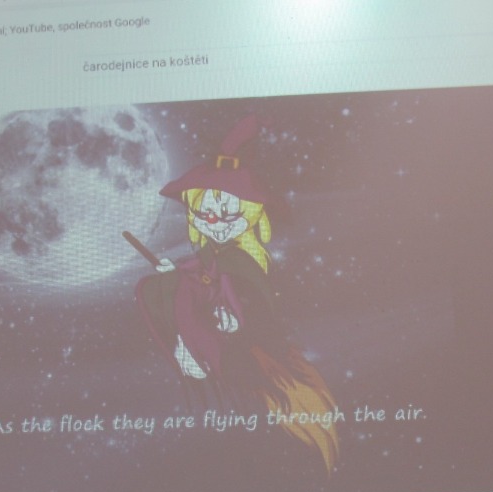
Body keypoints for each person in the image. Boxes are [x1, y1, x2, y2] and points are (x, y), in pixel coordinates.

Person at [134, 115, 340, 473]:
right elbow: (202, 272)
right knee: (158, 287)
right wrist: (177, 272)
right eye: (204, 212)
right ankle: (193, 349)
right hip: (223, 326)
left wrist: (235, 318)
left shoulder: (242, 261)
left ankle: (203, 352)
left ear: (251, 214)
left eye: (227, 213)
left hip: (246, 335)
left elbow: (248, 295)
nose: (213, 221)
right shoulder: (212, 254)